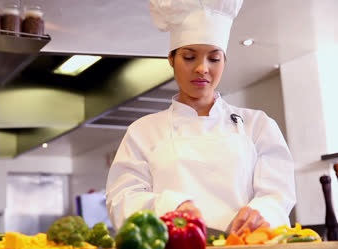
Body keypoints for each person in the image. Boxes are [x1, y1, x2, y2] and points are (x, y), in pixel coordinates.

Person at [106, 0, 296, 235]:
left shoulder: (258, 126)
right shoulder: (143, 131)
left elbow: (278, 194)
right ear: (171, 60)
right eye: (189, 57)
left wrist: (261, 212)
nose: (202, 68)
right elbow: (122, 199)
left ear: (224, 61)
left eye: (214, 58)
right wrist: (172, 207)